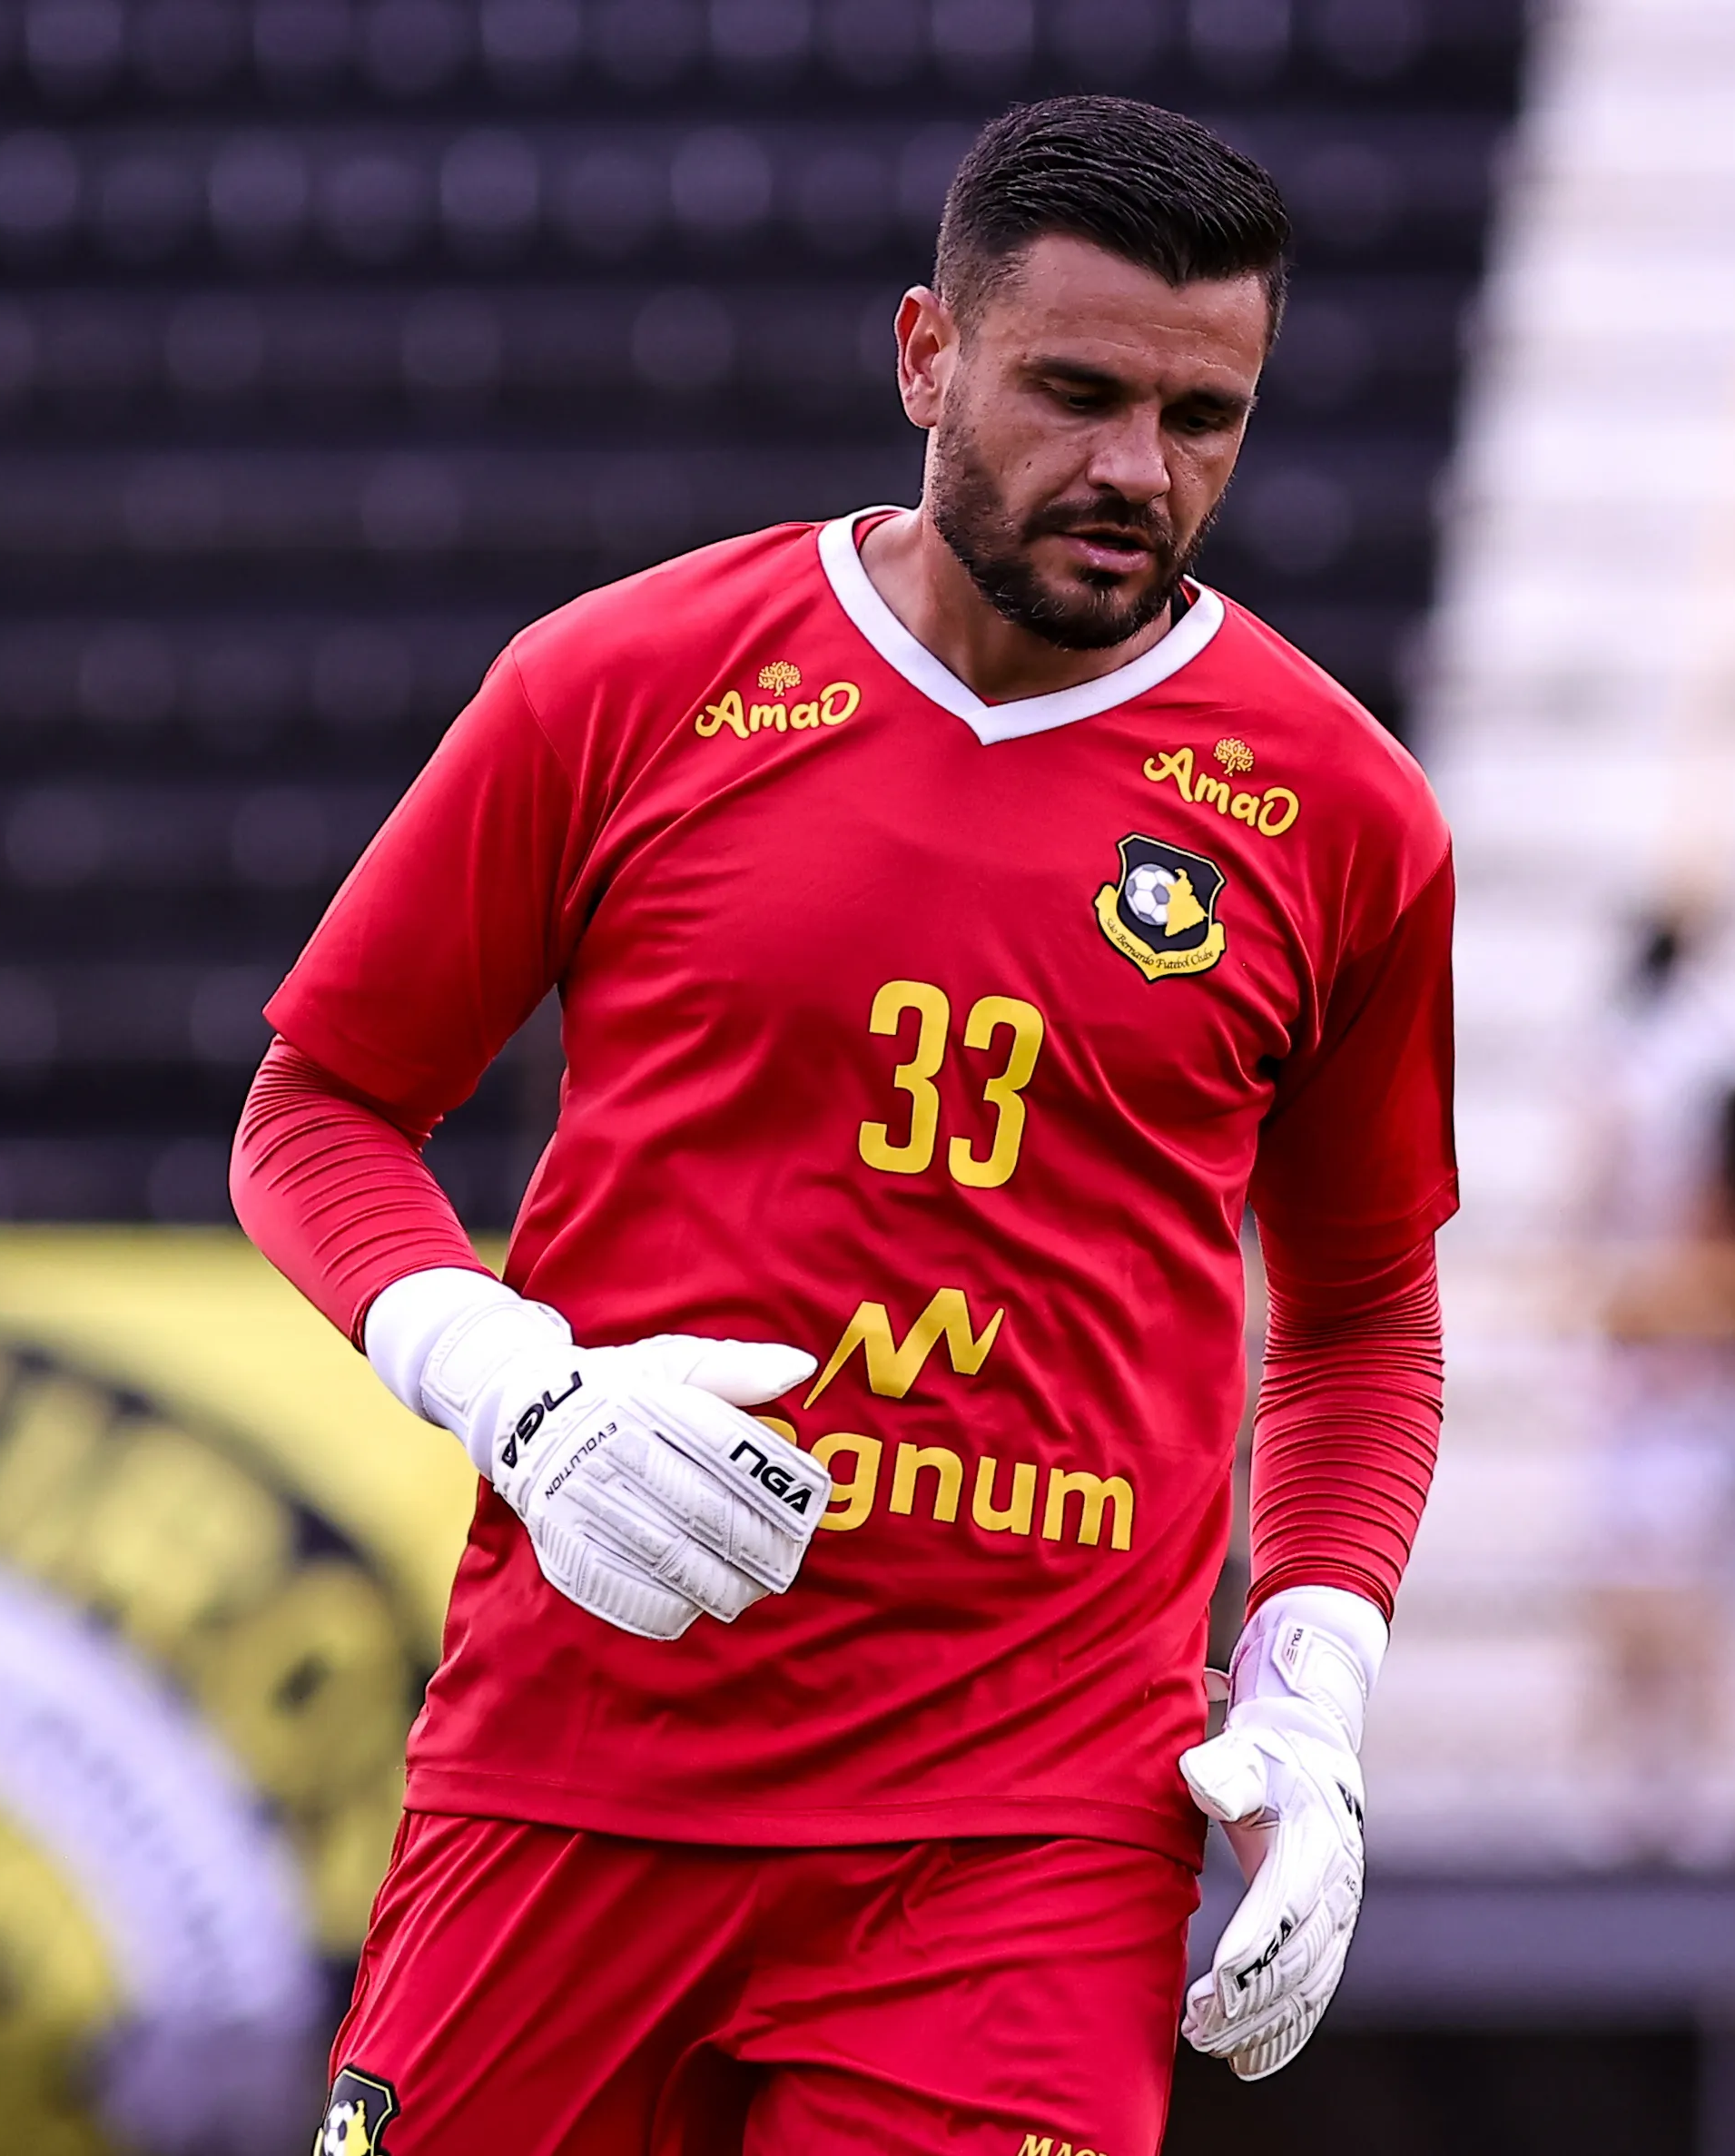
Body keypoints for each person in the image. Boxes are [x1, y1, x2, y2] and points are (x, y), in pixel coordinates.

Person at [232, 97, 1456, 2156]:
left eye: (1204, 418)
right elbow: (319, 1109)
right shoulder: (621, 683)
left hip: (1029, 1840)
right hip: (578, 1765)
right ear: (924, 353)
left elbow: (1362, 1313)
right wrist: (516, 1387)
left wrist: (1314, 1687)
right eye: (1076, 394)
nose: (1136, 471)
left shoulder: (1342, 814)